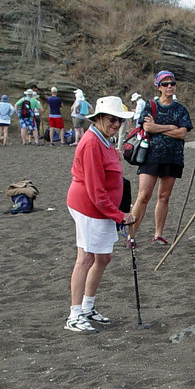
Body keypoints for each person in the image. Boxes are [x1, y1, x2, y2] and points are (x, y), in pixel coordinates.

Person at [64, 96, 137, 333]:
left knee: (103, 258)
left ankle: (87, 307)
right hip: (88, 206)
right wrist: (118, 215)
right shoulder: (92, 143)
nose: (116, 123)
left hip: (101, 208)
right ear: (99, 118)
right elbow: (96, 189)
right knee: (85, 258)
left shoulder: (105, 139)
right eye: (111, 119)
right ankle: (74, 315)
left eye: (119, 120)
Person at [127, 70, 193, 246]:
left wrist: (159, 127)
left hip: (173, 158)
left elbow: (182, 133)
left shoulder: (181, 109)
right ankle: (131, 235)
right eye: (165, 84)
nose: (170, 86)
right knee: (144, 195)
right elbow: (147, 128)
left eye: (172, 83)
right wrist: (170, 127)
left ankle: (158, 234)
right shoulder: (150, 106)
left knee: (164, 197)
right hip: (151, 156)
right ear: (158, 86)